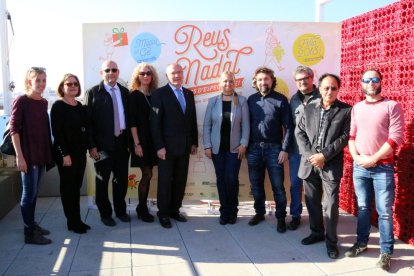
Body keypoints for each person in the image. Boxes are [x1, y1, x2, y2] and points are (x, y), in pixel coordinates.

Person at [344, 69, 404, 271]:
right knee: (362, 208)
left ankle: (386, 252)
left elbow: (395, 138)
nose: (370, 83)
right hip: (360, 167)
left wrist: (374, 159)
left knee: (384, 212)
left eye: (374, 79)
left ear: (380, 82)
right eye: (367, 80)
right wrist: (357, 158)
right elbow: (351, 136)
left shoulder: (392, 106)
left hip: (382, 168)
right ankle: (361, 243)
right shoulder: (357, 108)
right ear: (361, 83)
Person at [295, 73, 352, 259]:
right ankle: (316, 233)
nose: (330, 91)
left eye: (334, 88)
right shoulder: (308, 108)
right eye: (326, 88)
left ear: (338, 89)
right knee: (312, 202)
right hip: (310, 163)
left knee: (331, 204)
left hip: (330, 164)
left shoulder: (346, 111)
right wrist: (312, 156)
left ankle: (331, 242)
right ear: (319, 88)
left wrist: (324, 156)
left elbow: (344, 138)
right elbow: (300, 132)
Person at [150, 63, 198, 229]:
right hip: (166, 149)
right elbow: (154, 124)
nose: (177, 75)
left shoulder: (189, 94)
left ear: (183, 73)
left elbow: (192, 120)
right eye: (173, 73)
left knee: (180, 180)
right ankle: (163, 213)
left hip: (184, 147)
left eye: (179, 72)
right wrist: (159, 147)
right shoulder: (159, 94)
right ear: (167, 76)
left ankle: (174, 210)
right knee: (164, 182)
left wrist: (193, 143)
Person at [10, 67, 54, 244]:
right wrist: (20, 156)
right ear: (29, 81)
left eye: (44, 80)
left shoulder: (43, 102)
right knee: (28, 194)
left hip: (41, 153)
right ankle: (29, 232)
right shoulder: (21, 101)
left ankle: (32, 224)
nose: (42, 84)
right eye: (38, 80)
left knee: (34, 193)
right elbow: (14, 130)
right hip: (27, 155)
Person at [84, 60, 131, 226]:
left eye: (114, 70)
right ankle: (105, 214)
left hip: (122, 144)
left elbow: (129, 119)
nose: (111, 73)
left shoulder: (125, 92)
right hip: (102, 147)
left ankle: (120, 211)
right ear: (101, 73)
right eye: (107, 70)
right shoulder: (92, 93)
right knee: (102, 181)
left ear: (118, 72)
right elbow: (87, 123)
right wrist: (92, 147)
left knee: (121, 180)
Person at [247, 66, 293, 233]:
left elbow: (289, 127)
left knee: (278, 186)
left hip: (275, 149)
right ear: (256, 82)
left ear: (272, 81)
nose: (263, 82)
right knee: (256, 185)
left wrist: (285, 149)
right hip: (253, 149)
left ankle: (281, 217)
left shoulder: (281, 100)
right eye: (259, 79)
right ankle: (259, 213)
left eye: (266, 79)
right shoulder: (250, 100)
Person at [203, 71, 250, 225]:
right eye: (225, 81)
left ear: (234, 83)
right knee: (221, 180)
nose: (227, 84)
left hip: (235, 149)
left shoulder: (241, 101)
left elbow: (246, 125)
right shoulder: (213, 101)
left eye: (230, 81)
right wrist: (207, 145)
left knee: (231, 179)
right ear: (220, 83)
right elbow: (207, 125)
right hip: (217, 149)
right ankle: (224, 212)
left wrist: (244, 143)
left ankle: (233, 211)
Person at [51, 73, 90, 234]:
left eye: (75, 84)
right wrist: (64, 155)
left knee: (76, 187)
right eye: (69, 84)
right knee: (68, 189)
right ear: (62, 87)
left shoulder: (79, 106)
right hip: (66, 156)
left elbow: (84, 130)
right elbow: (57, 133)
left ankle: (77, 220)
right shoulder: (58, 106)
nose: (73, 86)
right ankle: (72, 222)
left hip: (80, 154)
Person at [288, 65, 321, 231]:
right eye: (299, 80)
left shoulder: (322, 96)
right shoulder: (293, 100)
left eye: (305, 79)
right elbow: (290, 126)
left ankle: (318, 219)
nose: (302, 82)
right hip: (296, 151)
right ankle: (295, 215)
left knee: (315, 187)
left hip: (317, 152)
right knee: (295, 185)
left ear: (311, 78)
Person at [128, 63, 159, 222]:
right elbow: (132, 122)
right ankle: (142, 208)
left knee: (149, 174)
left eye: (148, 73)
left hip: (154, 141)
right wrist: (136, 144)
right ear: (137, 76)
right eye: (142, 73)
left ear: (152, 76)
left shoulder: (155, 95)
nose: (146, 76)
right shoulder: (134, 95)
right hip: (141, 141)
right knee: (147, 174)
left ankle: (142, 207)